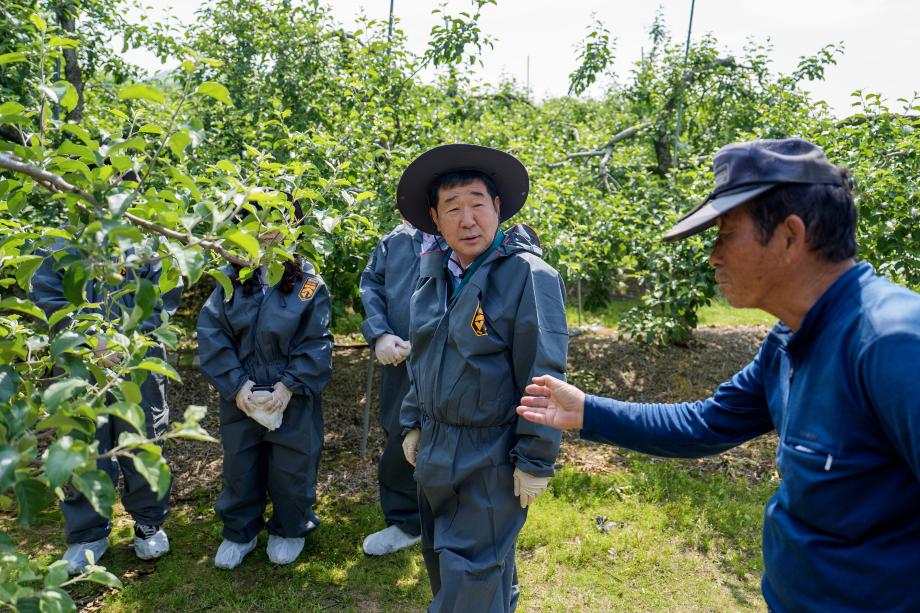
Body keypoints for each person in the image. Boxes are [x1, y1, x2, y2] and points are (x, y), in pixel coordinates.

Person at [517, 138, 920, 613]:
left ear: (789, 237)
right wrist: (587, 411)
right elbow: (707, 423)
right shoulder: (790, 338)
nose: (713, 255)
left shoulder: (891, 344)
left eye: (725, 233)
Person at [397, 144, 569, 612]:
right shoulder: (435, 274)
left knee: (470, 581)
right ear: (435, 218)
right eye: (453, 208)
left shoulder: (527, 275)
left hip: (489, 454)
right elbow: (423, 355)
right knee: (448, 564)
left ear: (497, 207)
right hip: (436, 448)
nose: (467, 220)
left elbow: (543, 370)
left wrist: (535, 458)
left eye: (477, 204)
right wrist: (414, 421)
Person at [197, 200, 333, 569]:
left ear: (293, 227)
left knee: (293, 466)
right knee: (240, 465)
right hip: (242, 392)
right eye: (257, 221)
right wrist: (237, 385)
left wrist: (289, 385)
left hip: (293, 396)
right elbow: (213, 333)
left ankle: (289, 528)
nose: (267, 230)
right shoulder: (231, 277)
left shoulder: (307, 282)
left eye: (277, 221)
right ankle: (240, 532)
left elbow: (317, 340)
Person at [32, 244, 183, 574]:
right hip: (79, 361)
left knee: (143, 437)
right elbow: (47, 292)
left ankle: (149, 523)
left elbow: (164, 292)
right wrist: (90, 339)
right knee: (82, 443)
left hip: (138, 357)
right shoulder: (61, 239)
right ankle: (88, 535)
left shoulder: (145, 237)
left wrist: (125, 339)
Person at [358, 222, 443, 555]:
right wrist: (380, 333)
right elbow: (372, 284)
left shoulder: (461, 234)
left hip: (448, 358)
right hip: (398, 358)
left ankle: (454, 518)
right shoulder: (394, 241)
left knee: (451, 431)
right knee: (399, 432)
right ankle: (407, 523)